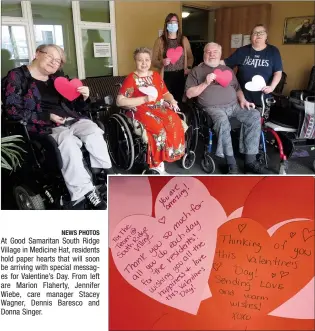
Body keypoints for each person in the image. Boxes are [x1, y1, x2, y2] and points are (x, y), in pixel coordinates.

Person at [2, 44, 113, 209]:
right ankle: (85, 192)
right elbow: (12, 110)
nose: (55, 63)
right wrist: (47, 117)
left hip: (70, 119)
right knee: (67, 140)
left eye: (58, 61)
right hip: (41, 125)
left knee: (94, 130)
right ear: (37, 53)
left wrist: (83, 97)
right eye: (51, 57)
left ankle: (103, 174)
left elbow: (76, 107)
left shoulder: (57, 78)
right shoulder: (17, 76)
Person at [186, 42, 266, 175]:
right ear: (204, 54)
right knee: (223, 121)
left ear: (220, 54)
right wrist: (205, 83)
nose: (212, 55)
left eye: (215, 52)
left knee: (254, 115)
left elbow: (237, 88)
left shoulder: (227, 70)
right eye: (208, 52)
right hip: (212, 108)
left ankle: (250, 161)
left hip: (234, 106)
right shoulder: (196, 71)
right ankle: (231, 164)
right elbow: (189, 94)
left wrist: (243, 100)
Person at [116, 47, 185, 174]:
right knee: (158, 129)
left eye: (147, 60)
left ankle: (168, 155)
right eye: (140, 60)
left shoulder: (156, 76)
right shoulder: (132, 78)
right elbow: (120, 101)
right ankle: (157, 165)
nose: (144, 63)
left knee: (174, 121)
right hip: (140, 110)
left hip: (159, 108)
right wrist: (144, 99)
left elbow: (165, 93)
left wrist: (173, 100)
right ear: (135, 61)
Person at [222, 24, 283, 107]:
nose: (258, 35)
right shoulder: (242, 51)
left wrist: (272, 87)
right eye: (255, 33)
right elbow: (226, 63)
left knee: (259, 118)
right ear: (251, 37)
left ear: (266, 36)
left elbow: (278, 72)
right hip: (242, 96)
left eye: (261, 33)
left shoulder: (273, 51)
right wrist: (208, 63)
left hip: (262, 97)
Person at [152, 13, 194, 103]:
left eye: (175, 22)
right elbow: (153, 61)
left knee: (179, 101)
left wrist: (189, 67)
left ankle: (179, 117)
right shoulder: (160, 41)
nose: (173, 25)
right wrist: (161, 62)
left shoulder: (184, 40)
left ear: (178, 24)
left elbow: (190, 57)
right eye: (170, 22)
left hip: (180, 75)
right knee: (167, 101)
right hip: (166, 76)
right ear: (166, 24)